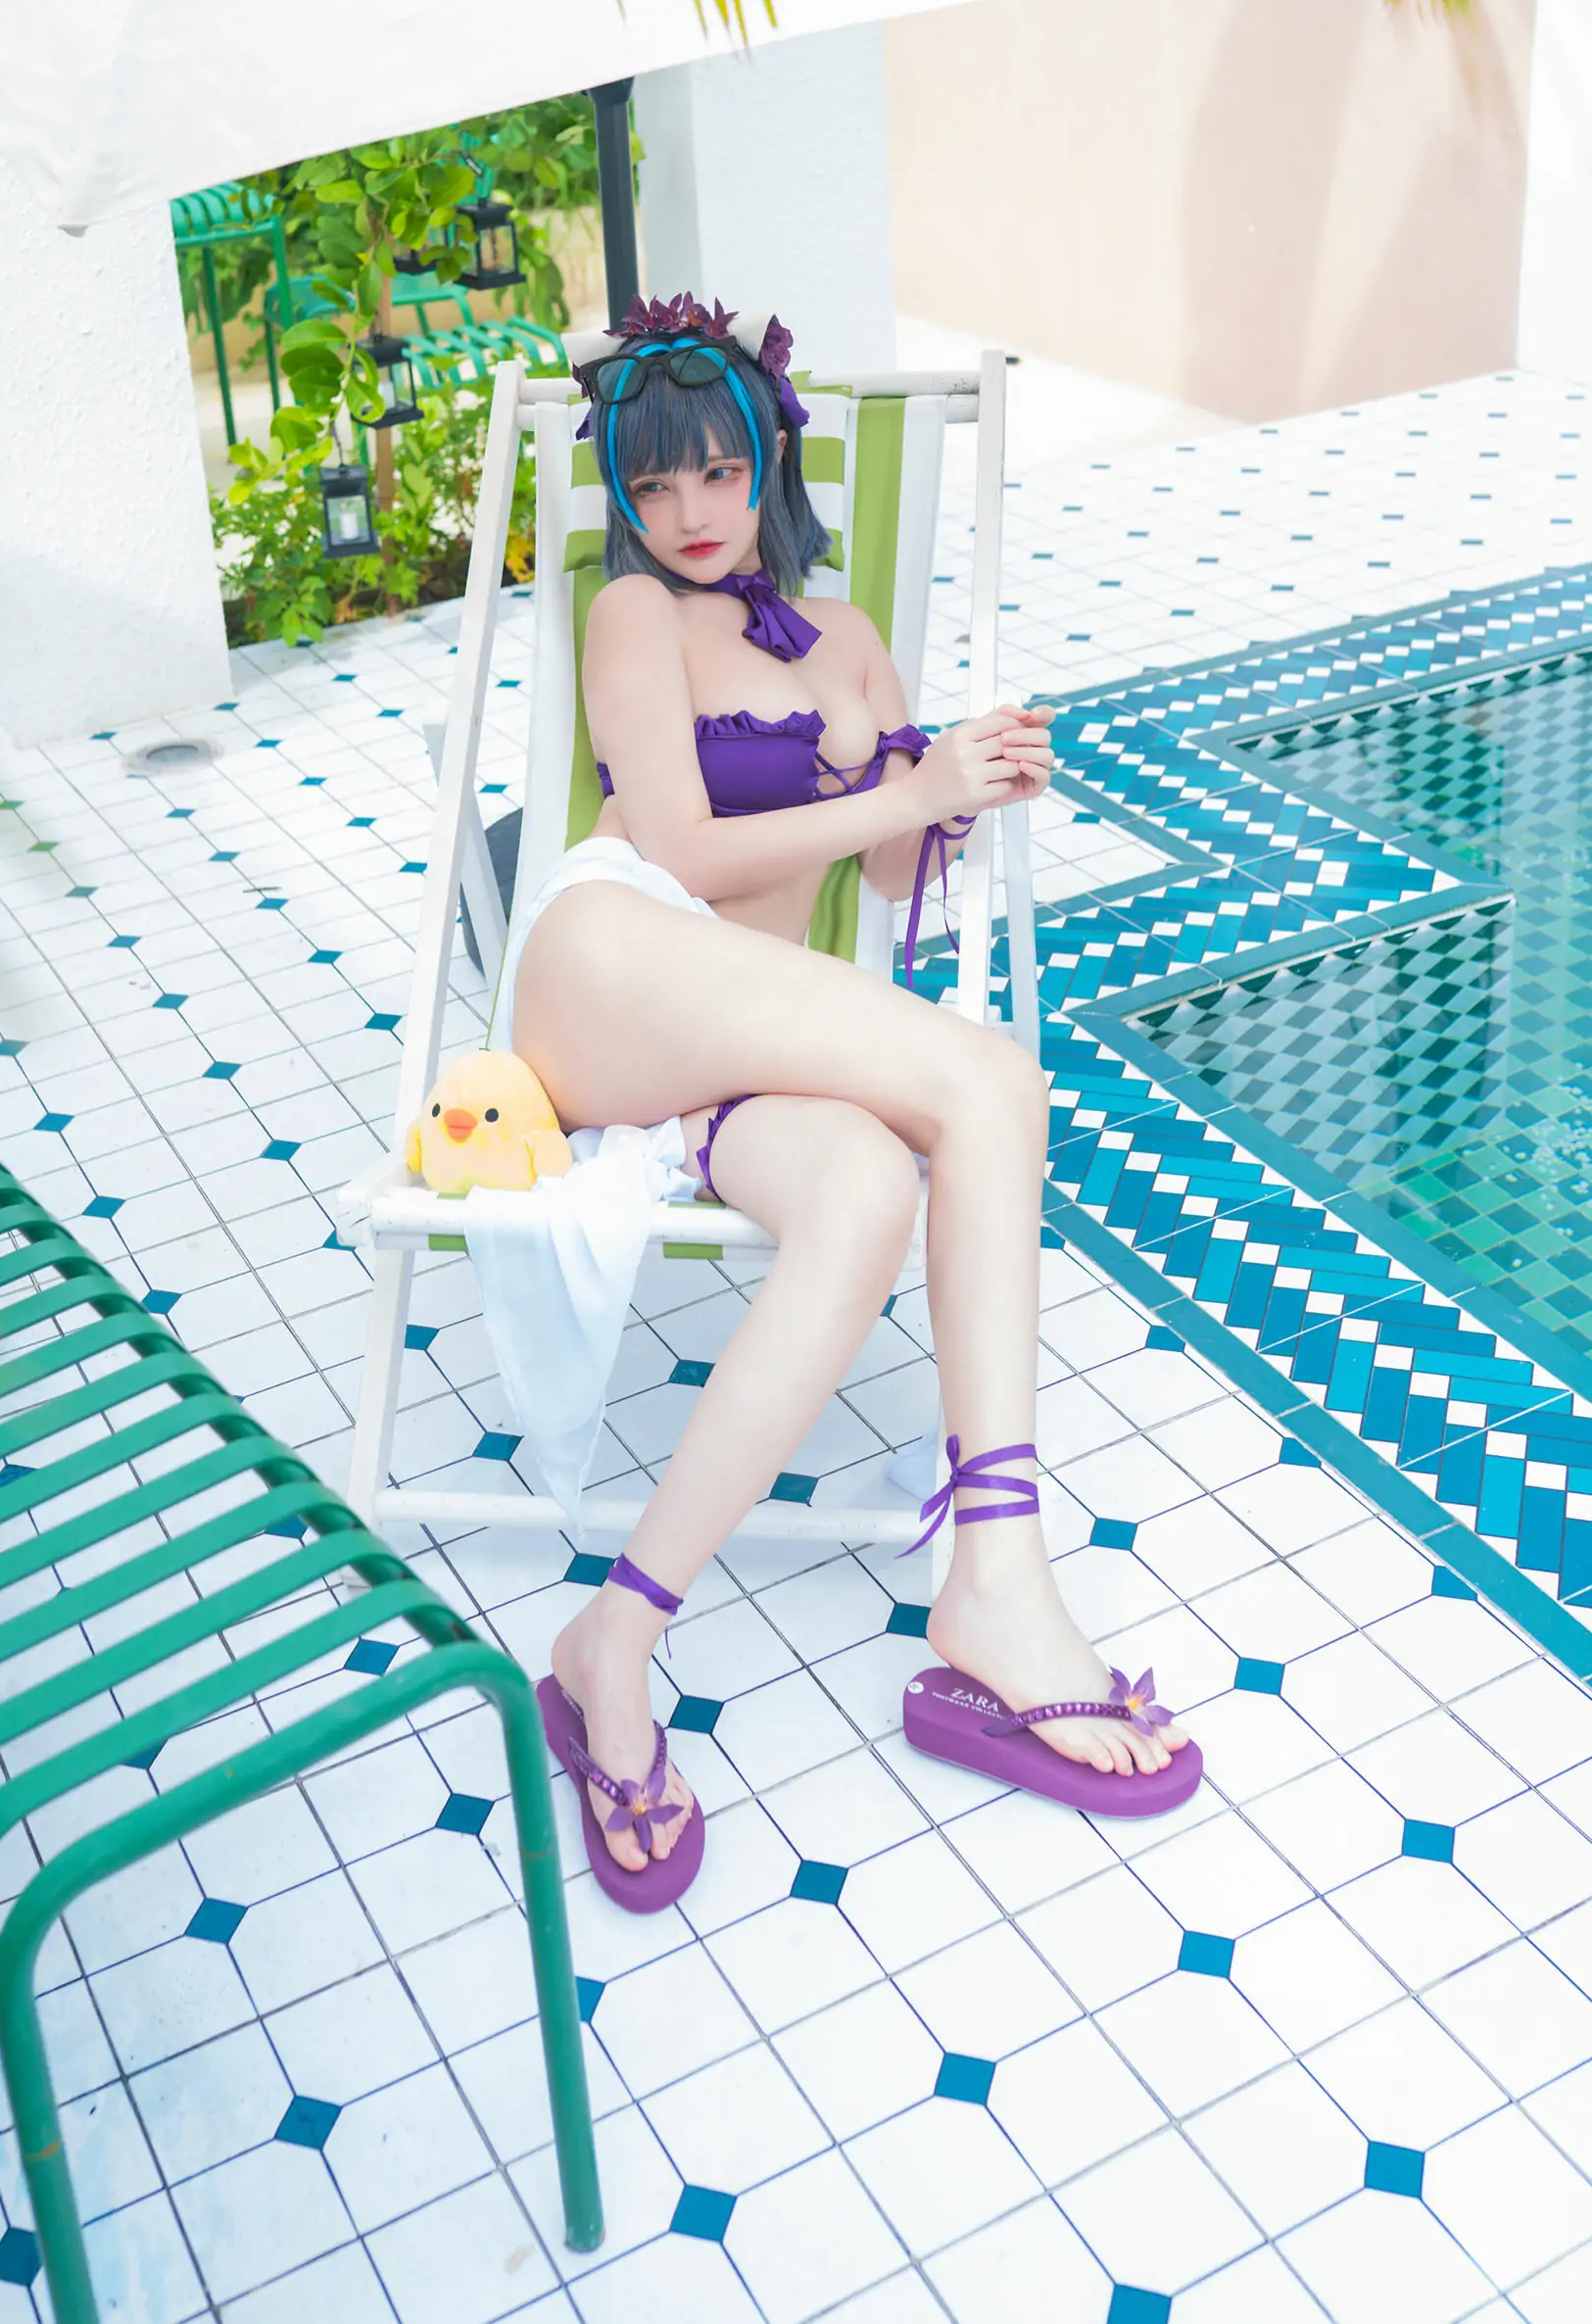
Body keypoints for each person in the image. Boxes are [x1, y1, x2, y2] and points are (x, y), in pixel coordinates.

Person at [502, 296, 1198, 1912]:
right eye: (651, 482)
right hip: (616, 968)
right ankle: (1000, 1582)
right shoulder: (633, 617)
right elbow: (681, 849)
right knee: (990, 1079)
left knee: (871, 1191)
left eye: (714, 473)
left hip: (740, 1049)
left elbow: (887, 877)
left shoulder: (852, 635)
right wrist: (907, 782)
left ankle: (615, 1637)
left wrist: (960, 787)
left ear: (770, 463)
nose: (685, 511)